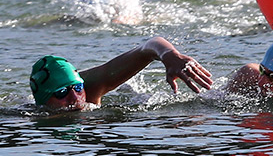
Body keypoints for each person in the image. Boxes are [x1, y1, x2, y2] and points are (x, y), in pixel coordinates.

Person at [29, 36, 214, 112]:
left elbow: (149, 46)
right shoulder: (28, 117)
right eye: (62, 92)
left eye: (78, 88)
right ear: (43, 99)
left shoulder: (91, 88)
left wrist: (170, 55)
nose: (75, 98)